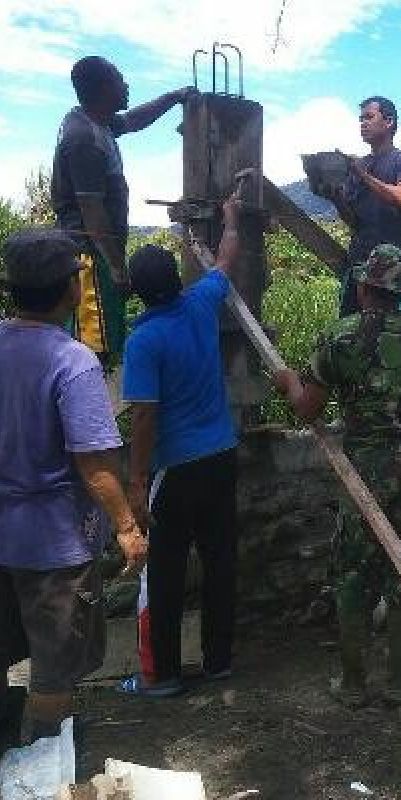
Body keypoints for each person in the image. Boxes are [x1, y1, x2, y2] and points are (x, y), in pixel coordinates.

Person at [273, 245, 401, 705]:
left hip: (366, 467)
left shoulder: (339, 338)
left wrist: (287, 382)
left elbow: (307, 409)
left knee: (354, 570)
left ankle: (354, 682)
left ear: (363, 288)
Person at [0, 229, 147, 745]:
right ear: (69, 290)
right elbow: (94, 464)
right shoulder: (72, 361)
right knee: (55, 663)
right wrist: (127, 526)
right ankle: (43, 758)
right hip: (54, 545)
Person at [115, 196, 242, 698]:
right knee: (219, 561)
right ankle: (218, 663)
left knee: (163, 573)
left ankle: (161, 675)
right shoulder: (203, 300)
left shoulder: (143, 341)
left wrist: (137, 482)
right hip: (221, 456)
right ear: (176, 276)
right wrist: (230, 217)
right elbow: (226, 257)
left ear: (136, 292)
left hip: (176, 467)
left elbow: (145, 416)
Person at [50, 56, 196, 366]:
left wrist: (173, 97)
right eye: (120, 79)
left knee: (102, 337)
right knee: (92, 345)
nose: (127, 85)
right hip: (88, 254)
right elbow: (92, 211)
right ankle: (89, 406)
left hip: (97, 251)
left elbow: (132, 120)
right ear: (104, 89)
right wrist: (117, 266)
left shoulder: (95, 122)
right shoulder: (84, 138)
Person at [323, 96, 401, 317]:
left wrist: (363, 175)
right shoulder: (357, 166)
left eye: (369, 117)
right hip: (360, 268)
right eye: (360, 119)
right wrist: (336, 198)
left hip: (398, 270)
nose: (363, 123)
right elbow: (354, 222)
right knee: (352, 335)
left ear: (389, 122)